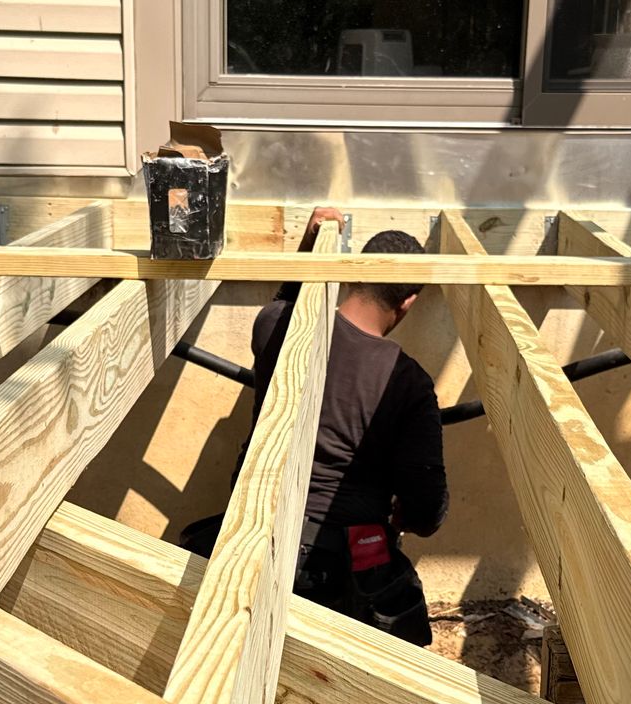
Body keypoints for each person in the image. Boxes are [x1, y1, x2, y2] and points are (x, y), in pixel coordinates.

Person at [190, 208, 447, 645]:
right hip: (342, 570)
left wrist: (310, 246)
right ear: (409, 301)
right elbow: (425, 512)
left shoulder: (276, 329)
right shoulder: (408, 382)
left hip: (253, 533)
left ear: (350, 276)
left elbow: (283, 303)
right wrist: (407, 514)